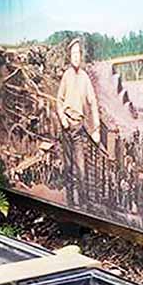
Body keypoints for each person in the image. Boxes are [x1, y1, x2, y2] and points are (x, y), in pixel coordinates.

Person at [56, 37, 101, 206]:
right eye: (73, 54)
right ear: (69, 56)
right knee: (68, 167)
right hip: (66, 126)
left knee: (81, 168)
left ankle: (83, 204)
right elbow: (59, 100)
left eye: (78, 53)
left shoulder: (85, 78)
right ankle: (70, 203)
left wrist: (96, 129)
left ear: (81, 56)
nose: (76, 57)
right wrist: (62, 118)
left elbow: (93, 101)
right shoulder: (66, 76)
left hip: (78, 128)